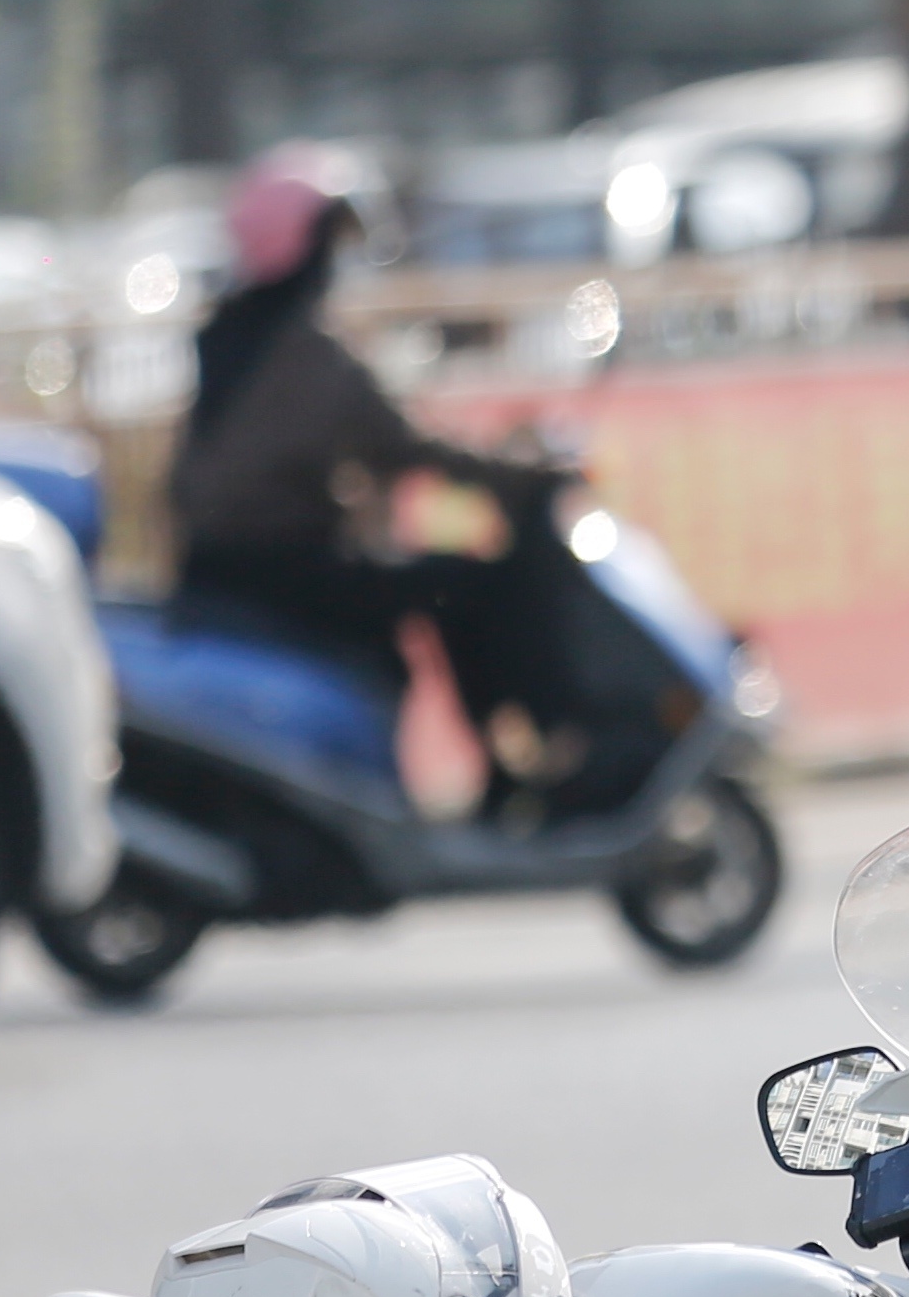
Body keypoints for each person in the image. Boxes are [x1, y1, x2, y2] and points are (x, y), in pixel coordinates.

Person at [173, 143, 594, 803]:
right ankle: (513, 769)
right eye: (330, 241)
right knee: (466, 588)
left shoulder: (233, 332)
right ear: (301, 245)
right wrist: (526, 476)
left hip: (233, 564)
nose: (340, 261)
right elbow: (403, 447)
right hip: (277, 568)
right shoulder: (305, 352)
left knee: (419, 601)